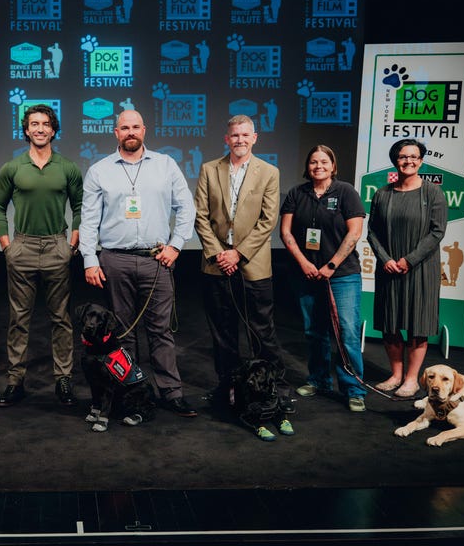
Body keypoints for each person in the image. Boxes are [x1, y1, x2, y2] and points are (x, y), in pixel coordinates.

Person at [79, 109, 198, 417]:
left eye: (135, 127)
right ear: (115, 133)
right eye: (124, 128)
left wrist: (176, 246)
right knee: (123, 332)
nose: (130, 132)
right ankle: (128, 390)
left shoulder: (166, 165)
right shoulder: (99, 170)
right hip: (113, 260)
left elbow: (187, 208)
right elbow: (89, 220)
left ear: (144, 130)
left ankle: (171, 392)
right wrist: (90, 260)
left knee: (160, 331)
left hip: (156, 260)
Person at [193, 115, 295, 438]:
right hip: (216, 264)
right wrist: (220, 253)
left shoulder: (269, 172)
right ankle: (228, 392)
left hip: (253, 265)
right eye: (234, 135)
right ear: (226, 139)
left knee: (261, 332)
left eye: (244, 135)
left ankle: (274, 393)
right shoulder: (210, 169)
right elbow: (200, 216)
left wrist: (238, 253)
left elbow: (268, 221)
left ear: (255, 138)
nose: (239, 140)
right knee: (223, 333)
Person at [0, 104, 83, 407]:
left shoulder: (67, 167)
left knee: (61, 319)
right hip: (23, 248)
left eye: (45, 124)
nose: (40, 129)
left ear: (53, 129)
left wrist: (71, 243)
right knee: (19, 320)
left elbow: (82, 207)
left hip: (57, 247)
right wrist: (8, 247)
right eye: (34, 124)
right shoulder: (13, 168)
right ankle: (16, 382)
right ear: (27, 130)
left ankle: (64, 381)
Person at [279, 145, 366, 412]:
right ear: (308, 166)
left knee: (346, 333)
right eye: (314, 161)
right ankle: (318, 380)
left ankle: (354, 389)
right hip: (305, 275)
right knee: (314, 331)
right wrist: (304, 263)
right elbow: (286, 232)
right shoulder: (297, 193)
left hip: (341, 275)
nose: (319, 166)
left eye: (324, 161)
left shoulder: (346, 192)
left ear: (333, 165)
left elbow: (354, 233)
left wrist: (331, 264)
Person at [366, 138, 448, 398]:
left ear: (421, 161)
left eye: (414, 157)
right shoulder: (383, 194)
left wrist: (408, 260)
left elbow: (437, 232)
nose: (409, 161)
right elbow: (372, 232)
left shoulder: (432, 193)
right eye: (403, 156)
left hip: (421, 269)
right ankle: (396, 375)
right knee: (390, 324)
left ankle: (412, 379)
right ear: (395, 160)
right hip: (389, 268)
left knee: (417, 325)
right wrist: (386, 259)